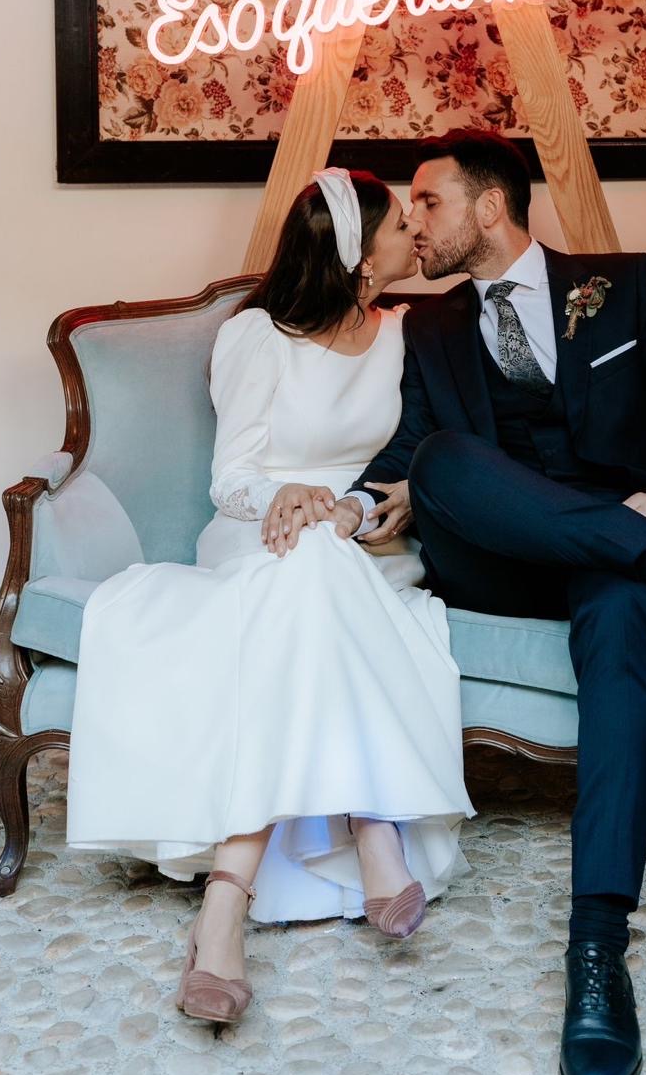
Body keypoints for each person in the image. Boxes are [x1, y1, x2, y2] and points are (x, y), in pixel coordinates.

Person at [325, 128, 646, 1075]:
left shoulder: (623, 285)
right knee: (440, 462)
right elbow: (401, 453)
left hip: (629, 555)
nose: (411, 220)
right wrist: (347, 505)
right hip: (506, 562)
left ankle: (596, 954)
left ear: (489, 206)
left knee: (622, 608)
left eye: (427, 200)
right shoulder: (427, 329)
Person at [65, 167, 477, 1027]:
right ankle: (372, 826)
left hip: (367, 544)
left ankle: (227, 901)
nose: (416, 232)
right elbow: (231, 479)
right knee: (305, 563)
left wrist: (387, 501)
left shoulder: (410, 333)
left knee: (321, 562)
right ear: (361, 255)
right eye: (399, 224)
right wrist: (285, 495)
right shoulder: (257, 336)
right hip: (260, 533)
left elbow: (424, 448)